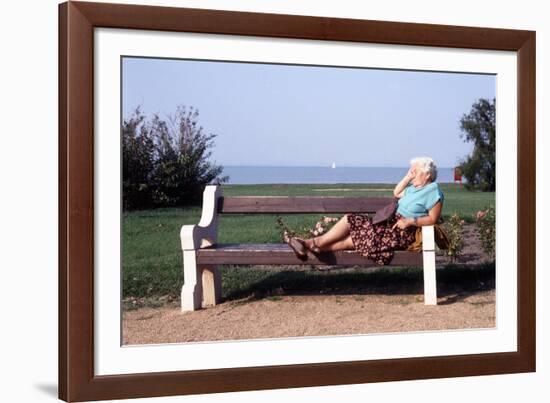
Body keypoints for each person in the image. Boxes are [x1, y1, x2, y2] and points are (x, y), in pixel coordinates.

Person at [288, 157, 445, 265]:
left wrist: (410, 221)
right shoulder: (413, 188)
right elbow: (397, 192)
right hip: (388, 225)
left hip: (402, 232)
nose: (413, 175)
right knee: (351, 220)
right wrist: (407, 176)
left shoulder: (433, 191)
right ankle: (313, 246)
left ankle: (309, 244)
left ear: (427, 175)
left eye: (415, 172)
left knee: (356, 238)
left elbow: (433, 219)